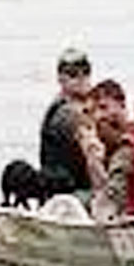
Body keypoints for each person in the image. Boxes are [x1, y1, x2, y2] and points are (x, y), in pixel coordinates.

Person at [39, 47, 95, 202]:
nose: (81, 78)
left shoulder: (88, 106)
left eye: (85, 72)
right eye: (73, 74)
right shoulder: (66, 112)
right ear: (61, 79)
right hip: (70, 193)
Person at [85, 79, 133, 223]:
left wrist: (94, 163)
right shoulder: (114, 147)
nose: (97, 116)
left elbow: (107, 208)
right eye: (94, 111)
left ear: (123, 107)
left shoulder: (125, 151)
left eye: (103, 107)